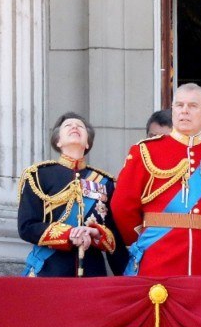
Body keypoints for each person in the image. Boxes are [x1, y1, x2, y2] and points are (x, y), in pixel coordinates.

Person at [112, 83, 201, 276]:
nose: (185, 111)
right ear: (173, 111)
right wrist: (145, 239)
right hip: (157, 255)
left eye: (192, 106)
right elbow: (122, 206)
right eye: (179, 105)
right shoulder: (144, 151)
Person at [16, 113, 126, 277]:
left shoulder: (105, 182)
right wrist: (69, 235)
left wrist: (97, 234)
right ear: (58, 141)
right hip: (50, 271)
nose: (74, 127)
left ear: (87, 142)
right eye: (68, 126)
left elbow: (115, 235)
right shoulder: (38, 175)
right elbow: (27, 226)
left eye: (80, 126)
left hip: (92, 273)